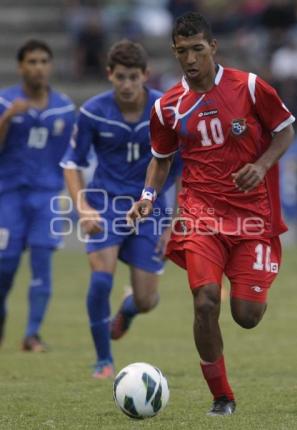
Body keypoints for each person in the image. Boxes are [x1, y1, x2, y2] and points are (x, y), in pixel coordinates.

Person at [127, 12, 295, 416]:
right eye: (181, 51)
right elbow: (161, 159)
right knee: (205, 301)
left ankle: (250, 290)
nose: (190, 59)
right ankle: (222, 396)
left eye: (197, 49)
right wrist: (148, 195)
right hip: (200, 214)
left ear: (213, 47)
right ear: (174, 52)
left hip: (253, 218)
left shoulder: (251, 87)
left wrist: (263, 164)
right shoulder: (168, 106)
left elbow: (286, 129)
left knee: (247, 316)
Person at [61, 39, 181, 379]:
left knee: (147, 300)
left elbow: (181, 167)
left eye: (133, 77)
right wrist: (83, 208)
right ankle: (103, 360)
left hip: (149, 209)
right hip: (105, 205)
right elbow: (71, 163)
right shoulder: (93, 112)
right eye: (120, 77)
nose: (127, 85)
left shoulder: (164, 111)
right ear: (109, 75)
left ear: (145, 75)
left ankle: (128, 309)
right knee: (100, 280)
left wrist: (175, 220)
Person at [0, 40, 76, 351]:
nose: (38, 67)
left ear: (51, 65)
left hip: (46, 197)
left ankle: (32, 334)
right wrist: (7, 119)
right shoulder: (5, 102)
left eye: (44, 61)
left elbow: (71, 156)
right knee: (5, 267)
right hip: (8, 197)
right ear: (21, 67)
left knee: (43, 260)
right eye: (32, 61)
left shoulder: (64, 108)